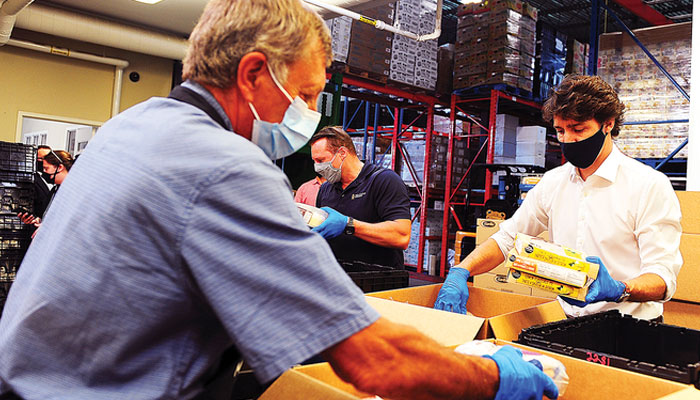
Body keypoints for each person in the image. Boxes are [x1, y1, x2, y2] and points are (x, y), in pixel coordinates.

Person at [0, 1, 557, 399]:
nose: (311, 113)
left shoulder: (132, 124)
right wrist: (499, 378)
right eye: (309, 94)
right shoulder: (221, 164)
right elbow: (375, 363)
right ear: (253, 74)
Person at [434, 75, 682, 321]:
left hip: (629, 325)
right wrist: (461, 271)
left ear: (608, 124)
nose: (568, 140)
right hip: (566, 320)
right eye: (561, 131)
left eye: (578, 129)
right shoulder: (553, 183)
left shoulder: (648, 186)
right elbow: (507, 238)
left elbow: (662, 277)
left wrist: (621, 289)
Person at [310, 126, 411, 270]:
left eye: (321, 160)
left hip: (378, 282)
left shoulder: (383, 181)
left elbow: (401, 236)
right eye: (315, 161)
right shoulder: (326, 189)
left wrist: (349, 225)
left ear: (342, 153)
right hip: (336, 279)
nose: (317, 167)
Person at [18, 150, 73, 232]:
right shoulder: (54, 190)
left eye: (46, 168)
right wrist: (38, 220)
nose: (44, 172)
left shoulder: (74, 193)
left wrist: (48, 228)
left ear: (60, 167)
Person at [30, 145, 52, 218]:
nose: (45, 161)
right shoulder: (32, 180)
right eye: (41, 158)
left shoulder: (55, 178)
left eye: (48, 158)